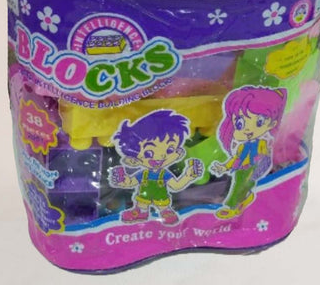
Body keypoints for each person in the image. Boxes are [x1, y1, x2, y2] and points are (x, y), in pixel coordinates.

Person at [109, 110, 203, 225]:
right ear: (133, 158)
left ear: (178, 153)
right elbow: (131, 182)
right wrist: (123, 180)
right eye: (148, 153)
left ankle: (165, 212)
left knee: (163, 207)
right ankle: (141, 212)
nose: (161, 157)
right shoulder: (143, 174)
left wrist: (188, 176)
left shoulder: (164, 174)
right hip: (143, 199)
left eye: (169, 150)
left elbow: (176, 185)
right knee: (142, 204)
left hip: (162, 200)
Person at [211, 86, 287, 219]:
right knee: (240, 184)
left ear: (271, 124)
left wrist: (226, 166)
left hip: (252, 167)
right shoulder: (245, 145)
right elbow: (236, 159)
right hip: (245, 168)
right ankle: (242, 199)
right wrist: (225, 167)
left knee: (240, 185)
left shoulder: (261, 142)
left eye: (259, 122)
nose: (248, 130)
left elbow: (243, 158)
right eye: (240, 124)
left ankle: (232, 207)